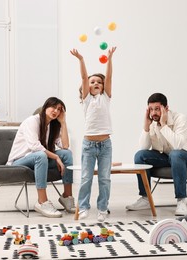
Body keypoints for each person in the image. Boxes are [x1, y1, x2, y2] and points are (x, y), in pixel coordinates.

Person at [126, 93, 187, 216]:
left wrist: (164, 125)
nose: (154, 113)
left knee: (176, 154)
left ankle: (181, 200)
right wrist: (146, 127)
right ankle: (145, 198)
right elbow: (144, 147)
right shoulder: (152, 122)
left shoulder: (180, 118)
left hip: (185, 155)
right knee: (140, 156)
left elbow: (178, 145)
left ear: (166, 108)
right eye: (151, 109)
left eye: (157, 109)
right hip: (166, 156)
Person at [6, 97, 75, 218]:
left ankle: (66, 196)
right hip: (19, 161)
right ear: (45, 107)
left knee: (67, 153)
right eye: (53, 107)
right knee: (41, 155)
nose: (56, 111)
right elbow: (34, 146)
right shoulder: (32, 121)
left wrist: (63, 123)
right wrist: (55, 157)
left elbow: (65, 145)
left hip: (39, 160)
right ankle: (42, 201)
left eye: (59, 109)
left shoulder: (53, 125)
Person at [70, 46, 117, 222]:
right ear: (85, 89)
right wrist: (81, 60)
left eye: (99, 81)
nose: (95, 83)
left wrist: (110, 58)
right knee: (86, 178)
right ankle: (83, 207)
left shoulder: (106, 97)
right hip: (88, 145)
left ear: (103, 86)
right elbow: (83, 77)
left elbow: (110, 76)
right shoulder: (86, 100)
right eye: (92, 82)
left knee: (105, 178)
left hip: (105, 145)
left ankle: (103, 208)